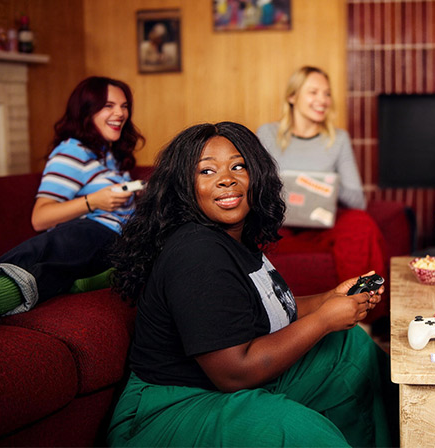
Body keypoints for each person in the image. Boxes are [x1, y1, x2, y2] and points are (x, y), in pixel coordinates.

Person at [108, 122, 394, 447]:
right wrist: (323, 320)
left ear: (256, 175)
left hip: (218, 383)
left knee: (348, 348)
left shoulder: (233, 236)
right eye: (207, 171)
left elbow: (267, 307)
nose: (226, 179)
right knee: (294, 429)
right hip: (169, 407)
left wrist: (328, 299)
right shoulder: (196, 252)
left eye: (238, 166)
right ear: (183, 185)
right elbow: (234, 373)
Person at [0, 76, 145, 339]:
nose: (120, 113)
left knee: (63, 264)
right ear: (86, 111)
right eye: (108, 105)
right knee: (51, 254)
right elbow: (41, 217)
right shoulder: (72, 153)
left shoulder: (110, 156)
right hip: (96, 231)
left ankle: (92, 279)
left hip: (124, 240)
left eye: (124, 106)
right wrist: (93, 201)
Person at [256, 66, 390, 321]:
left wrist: (324, 186)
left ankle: (361, 310)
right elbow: (255, 187)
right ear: (292, 96)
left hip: (322, 225)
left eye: (327, 94)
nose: (323, 100)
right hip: (279, 225)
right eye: (314, 92)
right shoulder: (267, 134)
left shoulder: (337, 139)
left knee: (361, 223)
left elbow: (357, 201)